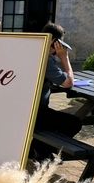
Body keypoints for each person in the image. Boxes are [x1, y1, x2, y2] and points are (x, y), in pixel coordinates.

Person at [30, 22, 82, 160]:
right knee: (74, 123)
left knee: (54, 120)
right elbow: (68, 83)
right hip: (36, 115)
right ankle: (42, 150)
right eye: (58, 45)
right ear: (54, 41)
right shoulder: (46, 60)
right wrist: (64, 58)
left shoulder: (32, 51)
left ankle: (37, 149)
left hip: (24, 113)